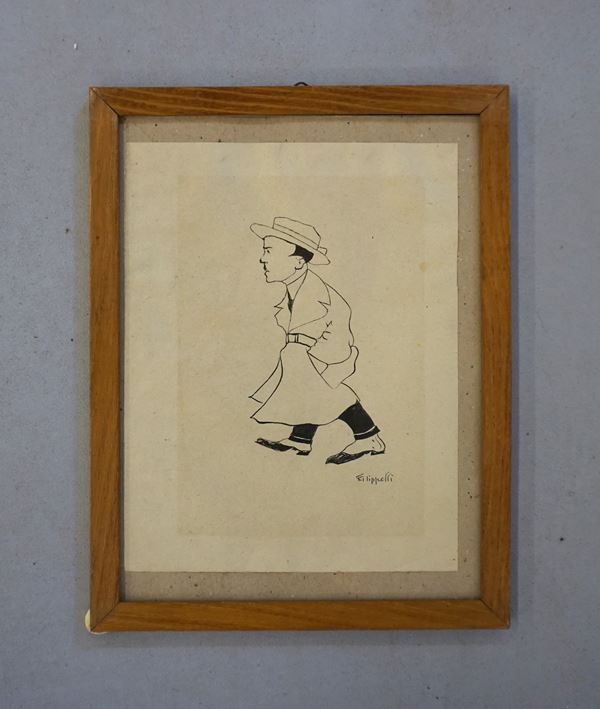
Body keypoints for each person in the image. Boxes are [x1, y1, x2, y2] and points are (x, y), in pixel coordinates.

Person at [249, 216, 385, 465]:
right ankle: (301, 438)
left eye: (269, 251)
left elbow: (336, 339)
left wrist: (307, 361)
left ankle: (369, 438)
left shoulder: (317, 294)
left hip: (330, 353)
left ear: (298, 262)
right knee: (307, 390)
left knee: (326, 393)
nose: (262, 259)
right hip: (306, 353)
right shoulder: (296, 290)